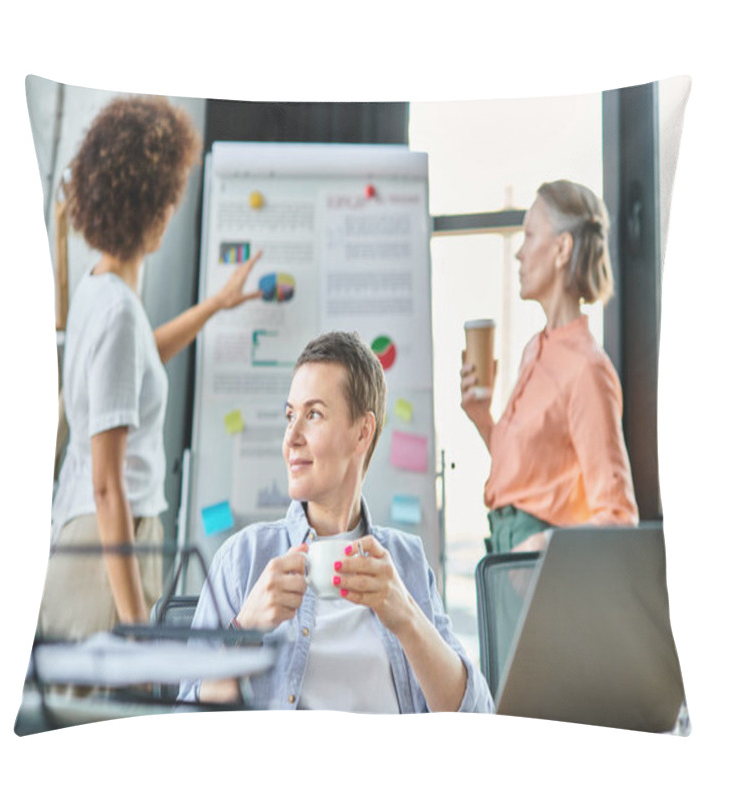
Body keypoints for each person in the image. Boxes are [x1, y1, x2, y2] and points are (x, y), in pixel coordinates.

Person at [38, 96, 263, 647]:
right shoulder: (116, 312)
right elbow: (108, 484)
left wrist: (215, 306)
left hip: (94, 538)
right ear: (153, 209)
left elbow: (140, 359)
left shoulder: (101, 289)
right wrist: (140, 628)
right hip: (106, 549)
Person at [179, 331, 492, 713]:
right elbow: (187, 720)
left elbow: (477, 717)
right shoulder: (244, 558)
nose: (291, 437)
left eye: (313, 415)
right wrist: (244, 630)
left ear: (362, 433)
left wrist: (406, 616)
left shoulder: (405, 562)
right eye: (290, 415)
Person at [460, 179, 639, 555]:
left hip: (540, 569)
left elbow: (619, 516)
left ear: (562, 249)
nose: (519, 254)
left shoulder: (588, 369)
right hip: (504, 554)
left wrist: (544, 544)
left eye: (529, 235)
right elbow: (527, 482)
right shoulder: (533, 350)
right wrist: (482, 417)